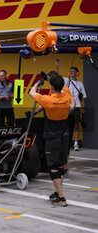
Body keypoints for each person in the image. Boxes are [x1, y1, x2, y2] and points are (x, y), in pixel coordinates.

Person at [29, 71, 71, 207]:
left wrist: (39, 83)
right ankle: (58, 193)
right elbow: (64, 89)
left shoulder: (48, 100)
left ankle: (62, 198)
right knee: (61, 166)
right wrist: (50, 80)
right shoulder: (67, 97)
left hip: (52, 136)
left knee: (53, 168)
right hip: (64, 135)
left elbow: (32, 92)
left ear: (51, 88)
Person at [58, 64, 87, 151]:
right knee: (66, 125)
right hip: (67, 106)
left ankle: (76, 144)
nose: (71, 73)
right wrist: (57, 67)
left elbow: (83, 97)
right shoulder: (66, 81)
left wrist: (83, 108)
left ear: (77, 73)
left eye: (73, 72)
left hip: (77, 106)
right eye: (70, 72)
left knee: (76, 125)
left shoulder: (80, 84)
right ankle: (66, 143)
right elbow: (58, 77)